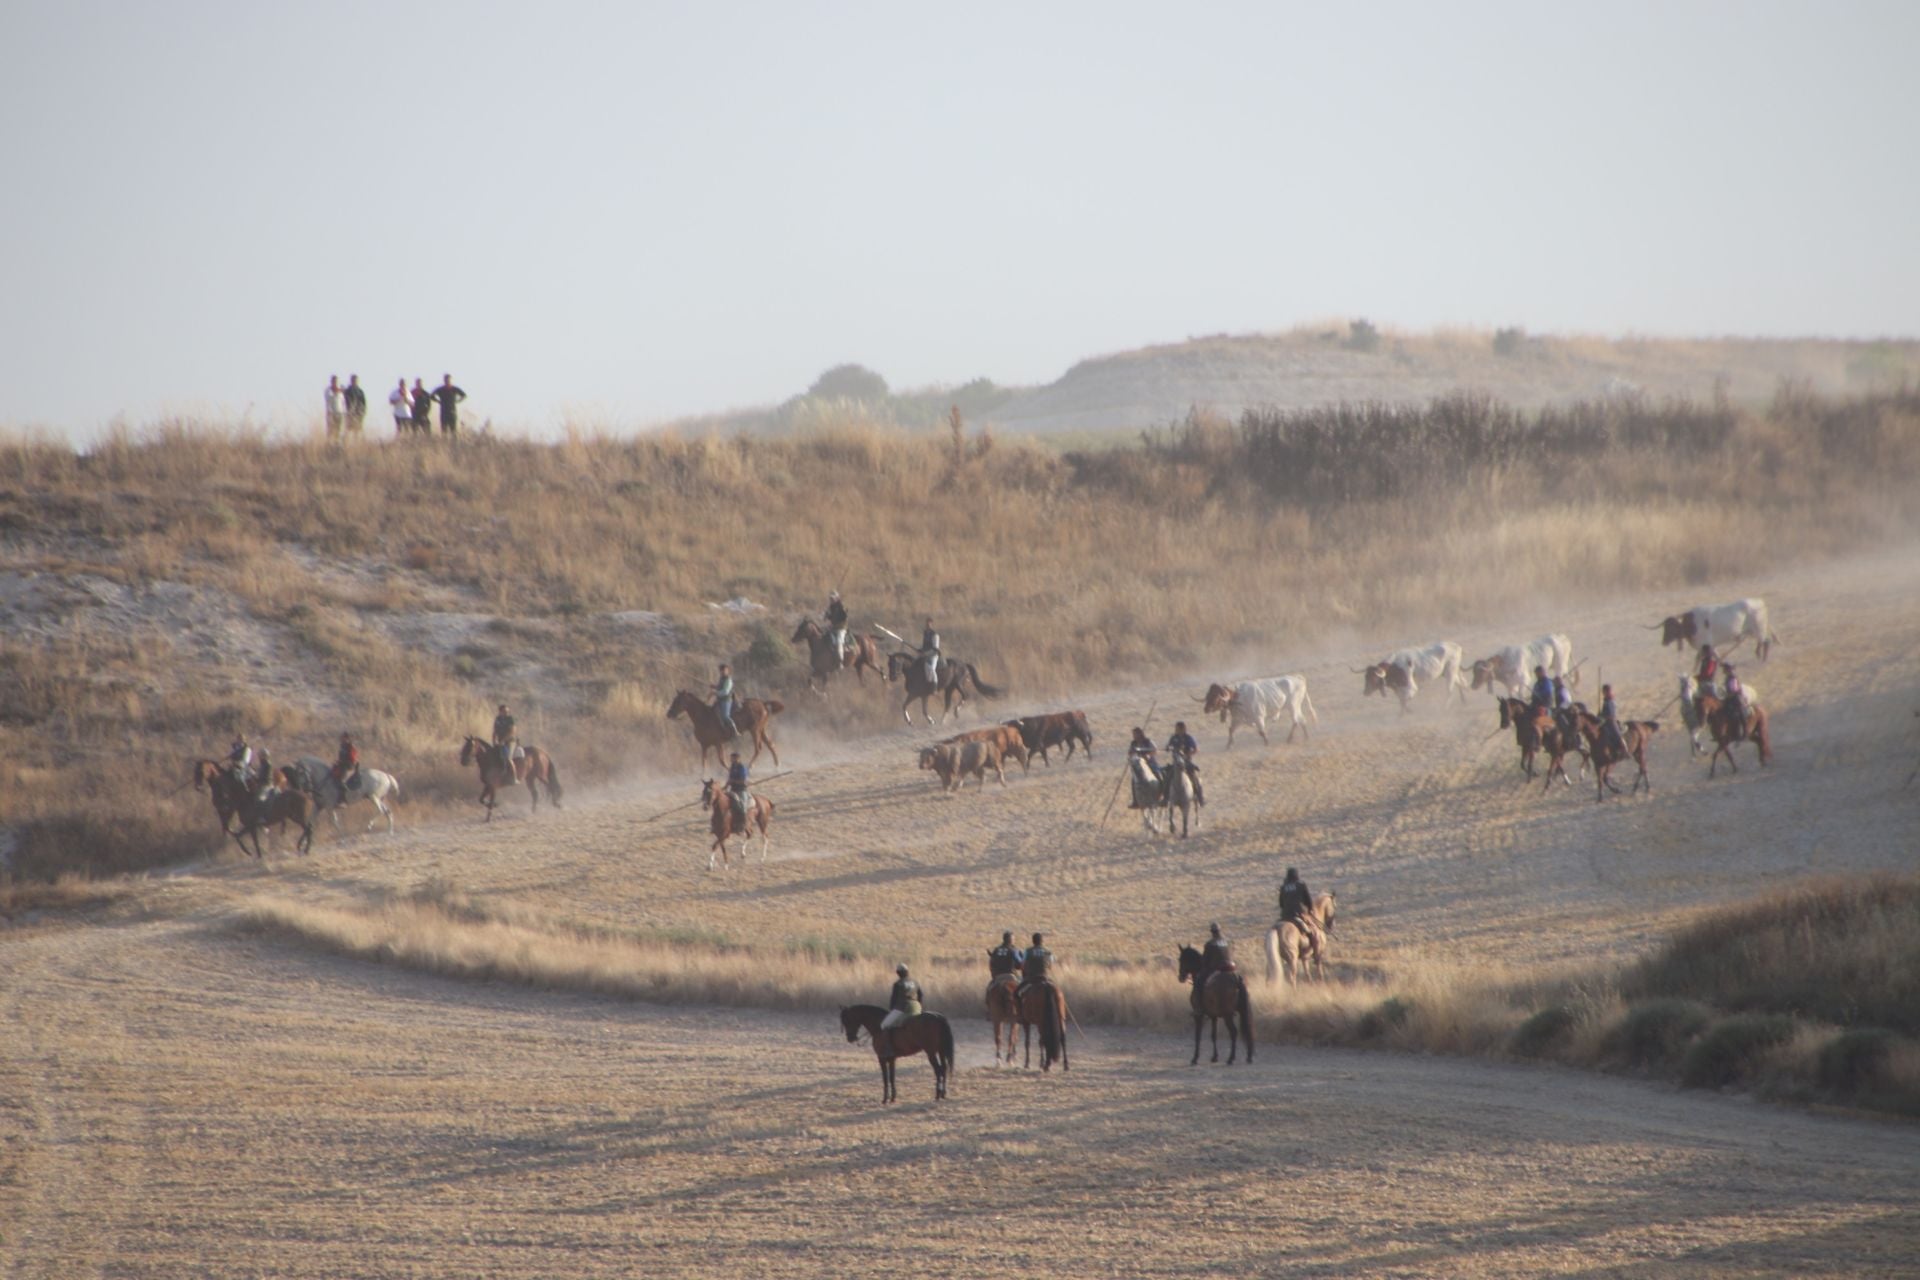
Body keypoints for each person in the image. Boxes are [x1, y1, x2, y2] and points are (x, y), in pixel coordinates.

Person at [1278, 867, 1325, 951]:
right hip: (1298, 914)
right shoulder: (1301, 885)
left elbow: (1281, 904)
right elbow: (1308, 899)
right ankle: (1315, 952)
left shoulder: (1283, 887)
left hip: (1284, 916)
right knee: (1313, 932)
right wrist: (1310, 909)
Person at [1165, 720, 1204, 806]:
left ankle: (1200, 797)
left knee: (1194, 778)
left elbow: (1196, 749)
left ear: (1182, 729)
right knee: (1167, 778)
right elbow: (1169, 746)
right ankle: (1166, 798)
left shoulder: (1189, 738)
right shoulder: (1173, 738)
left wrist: (1188, 754)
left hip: (1187, 762)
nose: (1176, 730)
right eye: (1176, 728)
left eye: (1177, 728)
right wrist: (1168, 747)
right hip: (1175, 762)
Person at [880, 964, 923, 1032]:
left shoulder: (898, 983)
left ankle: (888, 1042)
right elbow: (921, 995)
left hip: (903, 1007)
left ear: (898, 973)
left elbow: (894, 999)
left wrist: (891, 1010)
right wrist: (920, 1005)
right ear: (907, 971)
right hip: (917, 1007)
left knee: (884, 1025)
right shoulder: (915, 982)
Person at [1017, 932, 1053, 1001]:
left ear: (1033, 941)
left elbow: (1022, 966)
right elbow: (1050, 967)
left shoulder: (1027, 951)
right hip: (1045, 977)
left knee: (1016, 993)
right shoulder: (1048, 952)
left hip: (1031, 977)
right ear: (1042, 941)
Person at [1128, 727, 1161, 800]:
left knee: (1159, 776)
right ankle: (1135, 799)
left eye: (1135, 734)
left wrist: (1149, 755)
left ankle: (1162, 795)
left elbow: (1155, 750)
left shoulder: (1148, 741)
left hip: (1150, 763)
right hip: (1139, 765)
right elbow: (1130, 753)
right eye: (1133, 734)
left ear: (1140, 734)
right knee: (1134, 780)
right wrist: (1132, 756)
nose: (1134, 736)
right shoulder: (1133, 743)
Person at [1598, 684, 1626, 757]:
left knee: (1617, 734)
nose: (1604, 693)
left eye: (1605, 691)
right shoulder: (1606, 700)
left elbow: (1610, 713)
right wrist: (1599, 715)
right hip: (1605, 722)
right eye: (1603, 691)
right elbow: (1604, 712)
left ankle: (1625, 749)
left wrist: (1603, 716)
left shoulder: (1610, 700)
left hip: (1611, 721)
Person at [492, 703, 520, 771]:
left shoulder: (510, 719)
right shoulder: (498, 719)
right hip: (500, 742)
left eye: (507, 711)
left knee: (508, 758)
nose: (506, 713)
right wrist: (494, 741)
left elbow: (512, 731)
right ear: (500, 712)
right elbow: (495, 731)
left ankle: (514, 777)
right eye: (504, 711)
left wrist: (503, 740)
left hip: (510, 741)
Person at [711, 663, 738, 738]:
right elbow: (720, 687)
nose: (722, 672)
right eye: (721, 670)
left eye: (724, 670)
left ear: (727, 671)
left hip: (726, 700)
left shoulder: (728, 680)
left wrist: (715, 692)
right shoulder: (721, 678)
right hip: (719, 700)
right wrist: (715, 686)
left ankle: (735, 731)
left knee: (725, 716)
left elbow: (725, 691)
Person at [825, 591, 850, 665]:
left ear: (837, 598)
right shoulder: (831, 607)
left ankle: (840, 661)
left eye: (832, 599)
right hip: (833, 627)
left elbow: (844, 617)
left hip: (841, 628)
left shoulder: (841, 606)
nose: (831, 600)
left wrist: (835, 621)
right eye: (830, 599)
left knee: (839, 643)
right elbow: (832, 617)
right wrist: (827, 615)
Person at [1723, 664, 1746, 739]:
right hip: (1729, 697)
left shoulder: (1733, 678)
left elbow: (1734, 690)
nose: (1723, 670)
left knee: (1736, 714)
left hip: (1735, 698)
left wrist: (1727, 695)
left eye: (1725, 669)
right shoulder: (1728, 677)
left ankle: (1740, 733)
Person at [725, 751, 750, 823]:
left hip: (741, 789)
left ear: (738, 758)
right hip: (733, 789)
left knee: (742, 808)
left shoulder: (742, 767)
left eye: (733, 758)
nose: (731, 760)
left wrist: (733, 781)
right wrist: (725, 787)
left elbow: (743, 781)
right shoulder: (732, 766)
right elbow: (729, 779)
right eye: (731, 758)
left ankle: (744, 824)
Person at [917, 617, 940, 685]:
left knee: (932, 669)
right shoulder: (925, 633)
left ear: (931, 624)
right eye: (926, 623)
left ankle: (934, 686)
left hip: (933, 656)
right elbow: (925, 645)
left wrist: (925, 654)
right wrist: (921, 650)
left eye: (929, 623)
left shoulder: (935, 635)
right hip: (925, 656)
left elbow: (935, 649)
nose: (927, 625)